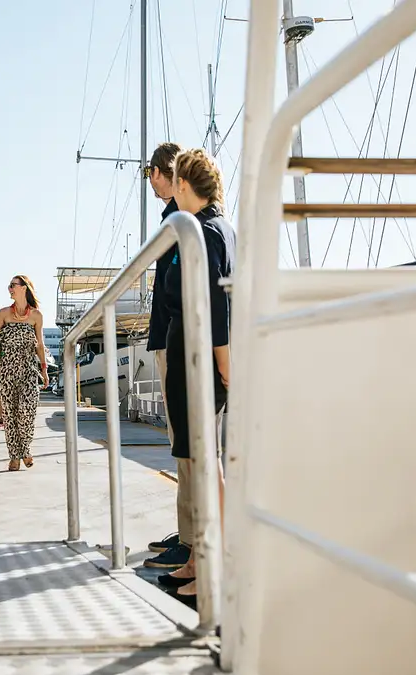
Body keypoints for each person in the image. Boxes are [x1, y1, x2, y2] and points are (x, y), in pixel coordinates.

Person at [152, 148, 234, 610]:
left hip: (201, 358)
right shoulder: (209, 228)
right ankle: (198, 561)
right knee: (197, 459)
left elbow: (217, 307)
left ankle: (212, 566)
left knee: (207, 465)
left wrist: (224, 366)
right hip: (192, 355)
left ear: (183, 185)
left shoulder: (205, 231)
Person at [141, 141, 192, 570]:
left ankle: (193, 540)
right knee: (179, 440)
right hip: (169, 336)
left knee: (187, 440)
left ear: (163, 172)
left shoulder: (183, 219)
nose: (150, 182)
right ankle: (188, 530)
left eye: (150, 174)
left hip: (178, 339)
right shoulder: (175, 218)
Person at [0, 275, 49, 471]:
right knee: (10, 415)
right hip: (5, 371)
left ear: (24, 288)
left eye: (13, 285)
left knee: (26, 411)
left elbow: (40, 346)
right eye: (9, 286)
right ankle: (15, 456)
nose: (10, 288)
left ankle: (25, 449)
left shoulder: (36, 315)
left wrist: (44, 370)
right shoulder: (3, 313)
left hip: (28, 370)